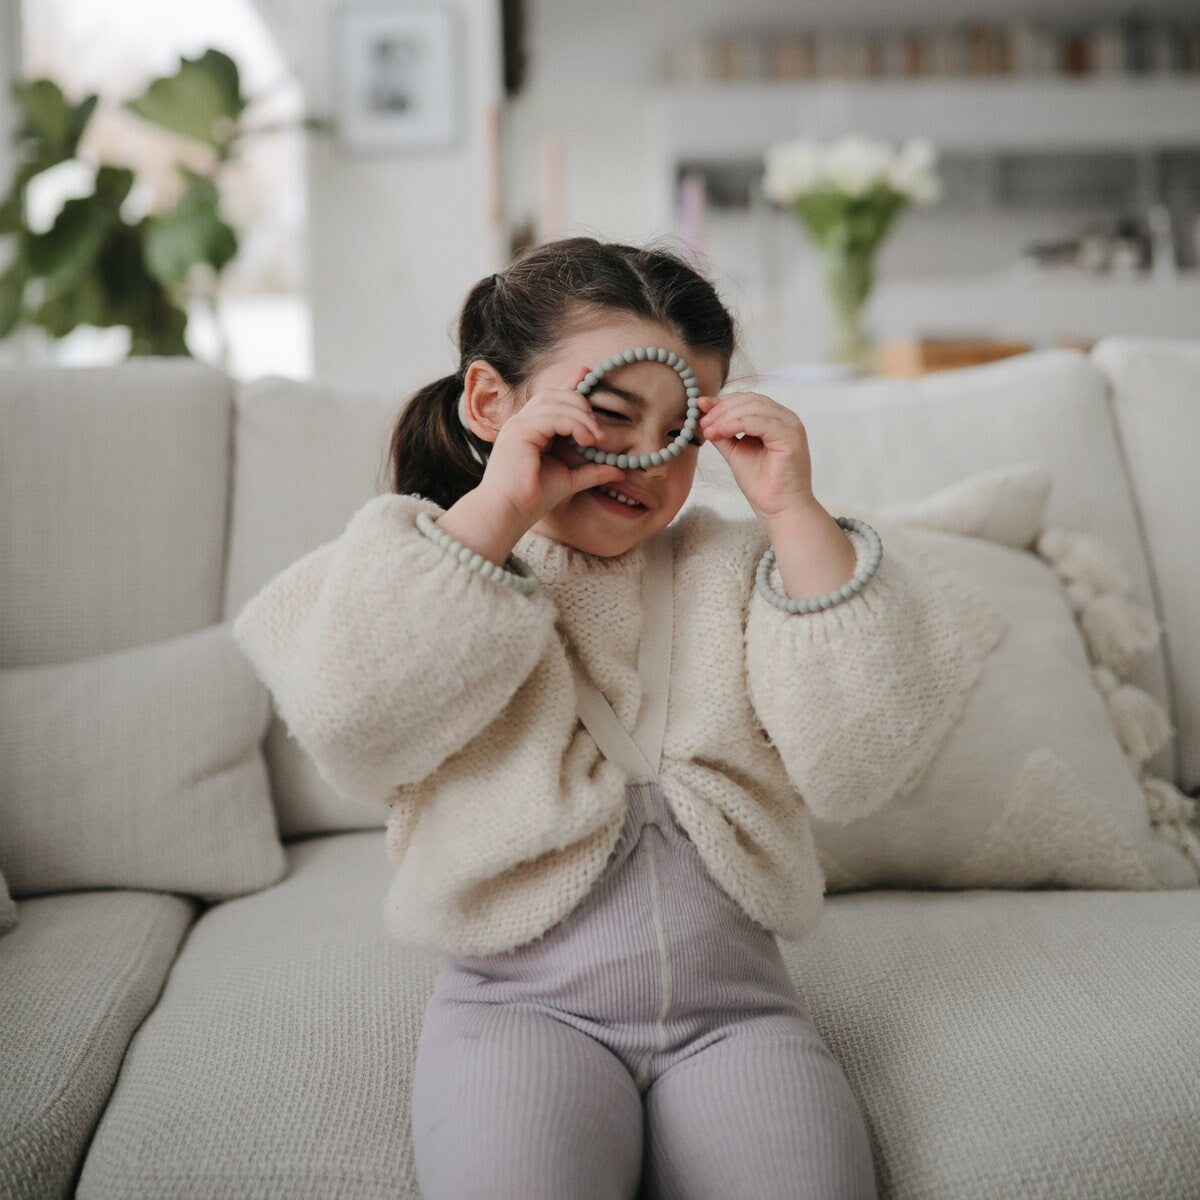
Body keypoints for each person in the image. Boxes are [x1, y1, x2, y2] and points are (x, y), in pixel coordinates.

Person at [232, 236, 974, 1200]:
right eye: (609, 414)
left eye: (680, 430)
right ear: (492, 403)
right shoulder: (415, 565)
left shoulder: (737, 570)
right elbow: (356, 725)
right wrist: (497, 509)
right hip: (518, 1011)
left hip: (738, 1014)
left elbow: (863, 762)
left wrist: (795, 513)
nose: (642, 458)